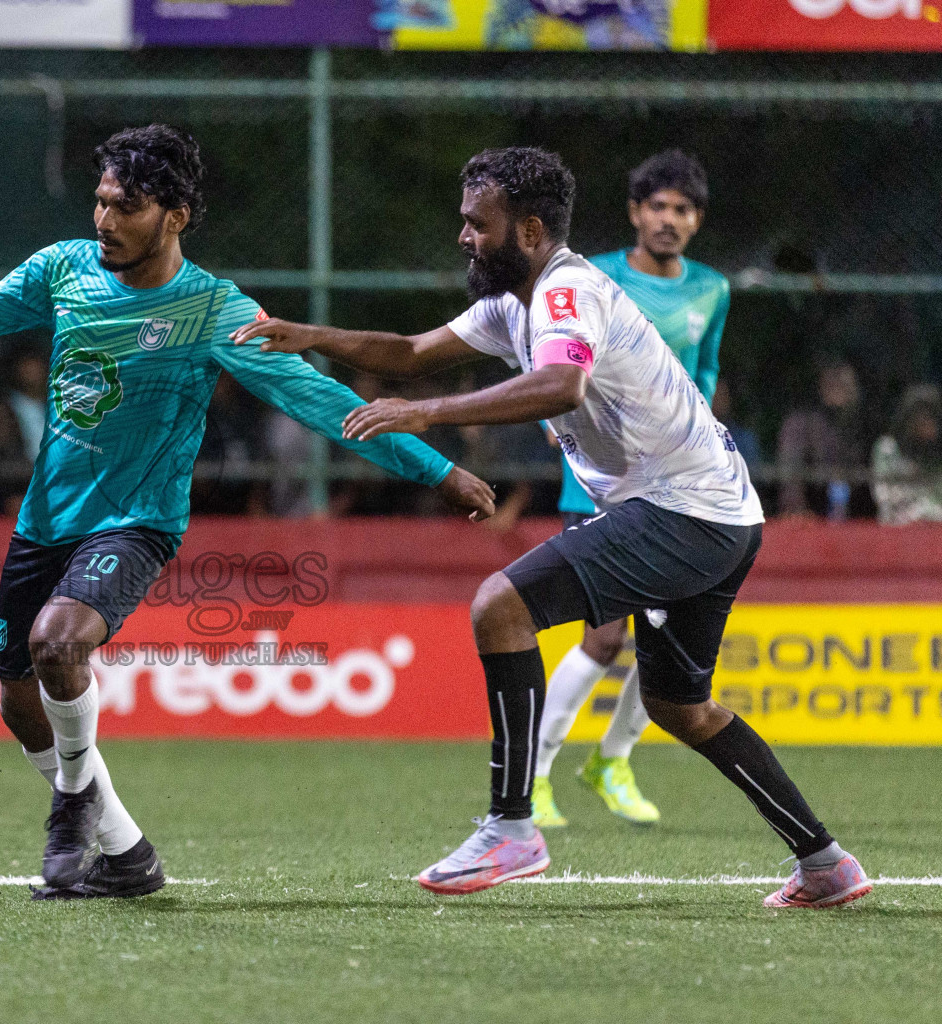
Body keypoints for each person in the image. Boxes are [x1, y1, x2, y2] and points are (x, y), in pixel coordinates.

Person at [0, 124, 495, 900]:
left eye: (124, 207)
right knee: (17, 701)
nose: (103, 221)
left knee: (58, 645)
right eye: (99, 202)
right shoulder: (63, 270)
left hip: (137, 520)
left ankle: (70, 806)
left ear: (176, 215)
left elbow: (319, 399)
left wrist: (436, 470)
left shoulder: (212, 310)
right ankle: (126, 854)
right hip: (45, 521)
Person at [233, 146, 869, 909]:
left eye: (478, 224)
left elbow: (561, 383)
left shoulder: (565, 291)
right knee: (680, 708)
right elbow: (410, 353)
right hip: (720, 515)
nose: (464, 237)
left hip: (682, 512)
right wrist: (313, 336)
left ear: (529, 229)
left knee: (499, 606)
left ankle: (511, 827)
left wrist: (429, 412)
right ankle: (826, 862)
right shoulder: (516, 300)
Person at [531, 149, 731, 830]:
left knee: (668, 639)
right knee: (602, 636)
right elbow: (545, 349)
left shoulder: (713, 290)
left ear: (696, 220)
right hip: (599, 477)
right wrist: (552, 418)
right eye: (657, 206)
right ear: (635, 213)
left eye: (682, 209)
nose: (669, 219)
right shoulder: (591, 277)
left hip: (678, 483)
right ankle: (533, 776)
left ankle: (611, 761)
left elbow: (703, 379)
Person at [777, 359, 868, 520]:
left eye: (845, 384)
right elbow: (791, 476)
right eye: (832, 382)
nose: (839, 389)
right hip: (811, 519)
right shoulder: (800, 425)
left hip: (856, 520)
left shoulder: (862, 426)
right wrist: (796, 510)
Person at [872, 384, 942, 525]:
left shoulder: (938, 458)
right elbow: (884, 496)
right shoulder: (887, 450)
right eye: (918, 416)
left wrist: (925, 512)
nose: (923, 424)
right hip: (897, 531)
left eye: (929, 417)